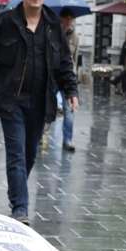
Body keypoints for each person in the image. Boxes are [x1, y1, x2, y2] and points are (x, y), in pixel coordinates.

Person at [0, 0, 79, 224]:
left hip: (41, 102)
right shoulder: (5, 21)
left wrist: (71, 91)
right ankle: (20, 208)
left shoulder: (53, 25)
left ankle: (16, 191)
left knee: (30, 154)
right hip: (11, 101)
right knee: (17, 153)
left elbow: (64, 62)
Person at [58, 14, 79, 152]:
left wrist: (74, 77)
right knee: (44, 107)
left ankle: (68, 140)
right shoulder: (52, 33)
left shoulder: (74, 37)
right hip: (52, 76)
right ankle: (40, 135)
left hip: (67, 79)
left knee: (69, 111)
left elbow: (74, 59)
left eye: (71, 19)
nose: (69, 21)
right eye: (66, 19)